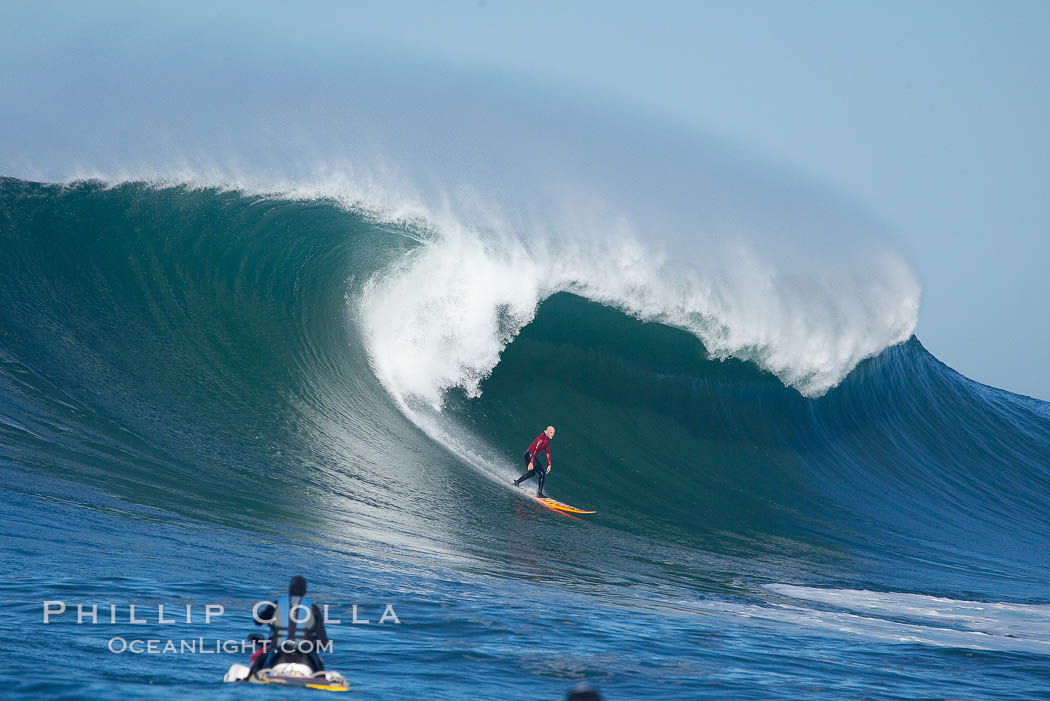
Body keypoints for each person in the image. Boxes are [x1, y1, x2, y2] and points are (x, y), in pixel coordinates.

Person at [250, 575, 330, 676]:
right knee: (320, 672)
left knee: (257, 664)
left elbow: (258, 621)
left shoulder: (276, 604)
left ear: (289, 589)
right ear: (305, 591)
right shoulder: (314, 609)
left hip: (279, 655)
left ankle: (248, 678)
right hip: (305, 658)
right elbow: (323, 642)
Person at [513, 425, 555, 498]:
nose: (552, 434)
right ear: (547, 432)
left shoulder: (547, 440)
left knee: (532, 473)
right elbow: (535, 451)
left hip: (529, 455)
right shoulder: (541, 439)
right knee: (542, 473)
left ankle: (517, 482)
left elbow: (547, 452)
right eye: (551, 432)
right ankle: (539, 493)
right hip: (530, 455)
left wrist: (549, 464)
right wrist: (531, 462)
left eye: (553, 433)